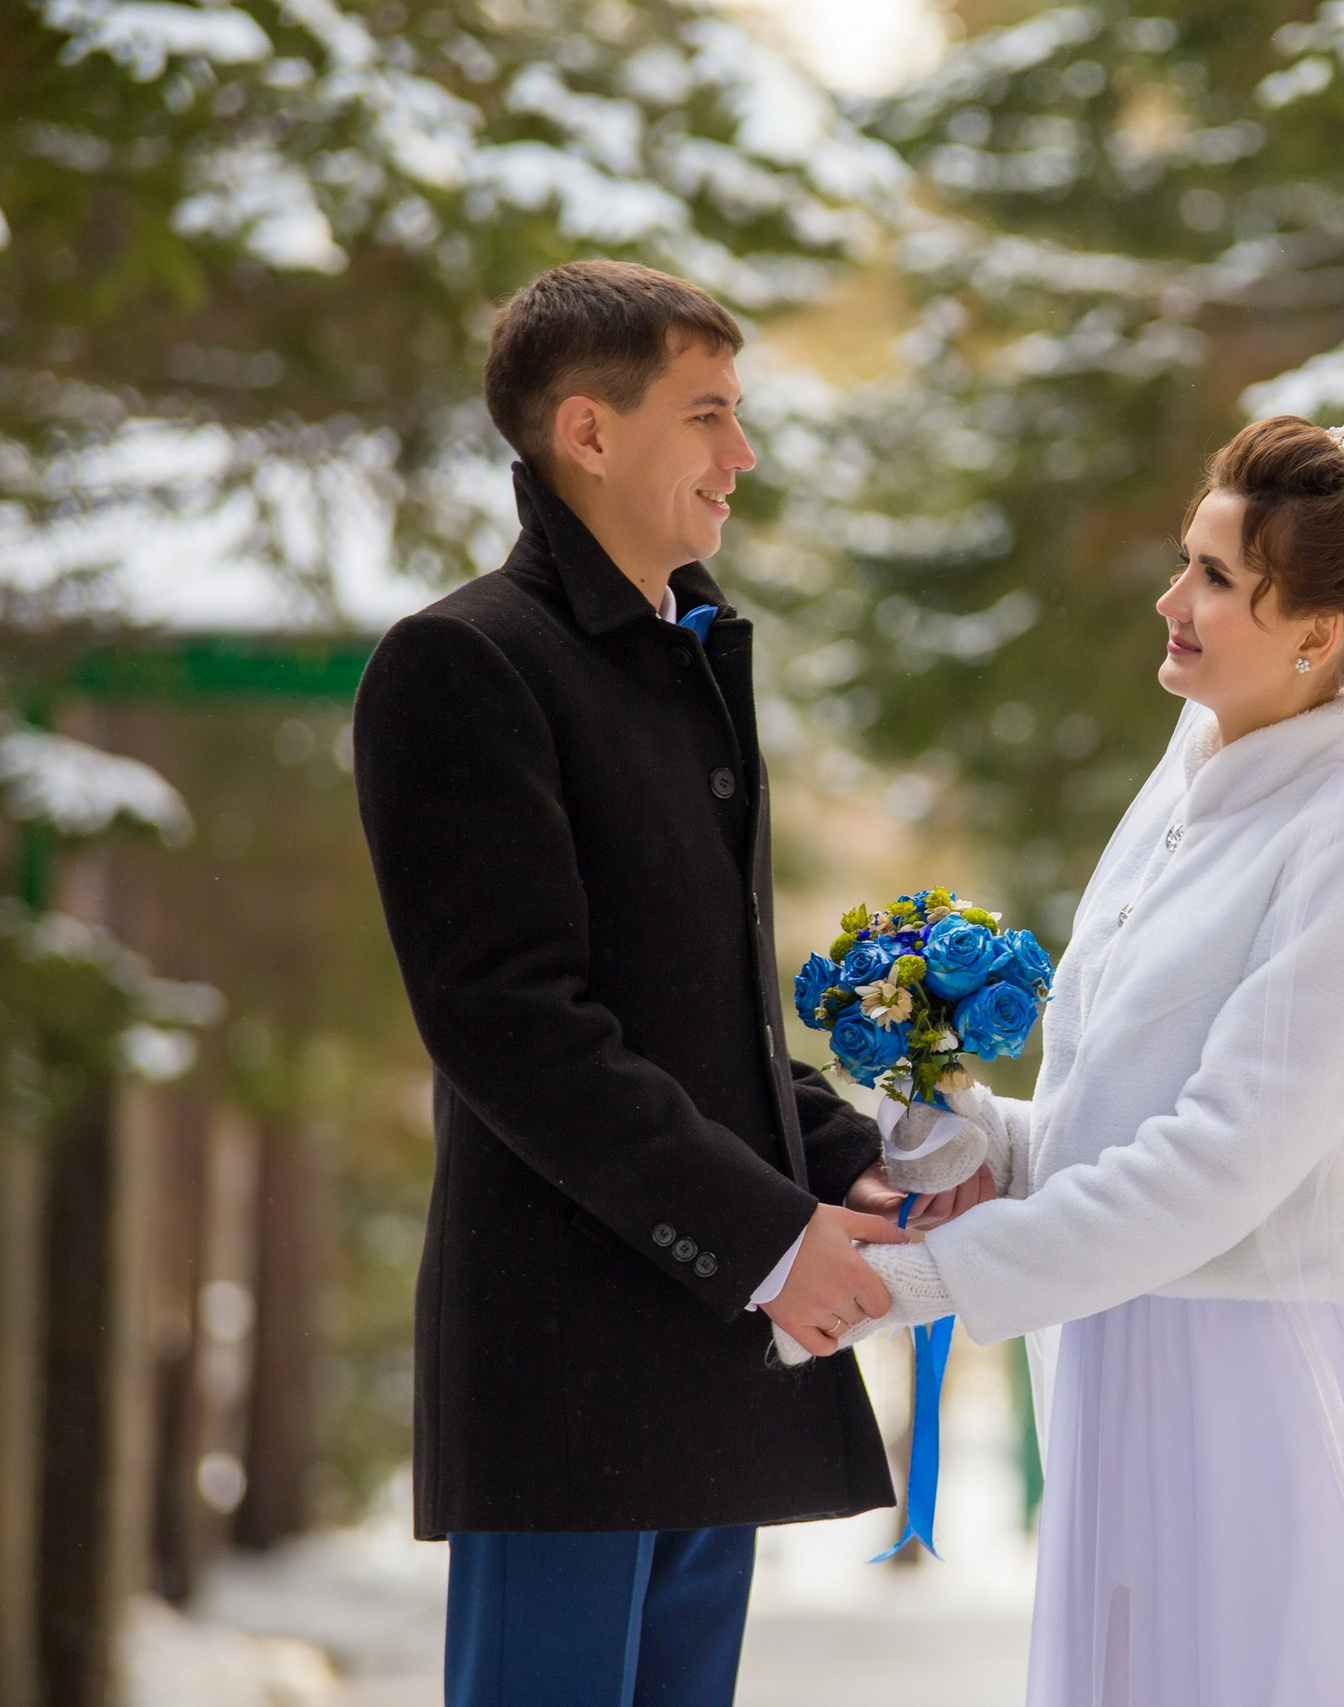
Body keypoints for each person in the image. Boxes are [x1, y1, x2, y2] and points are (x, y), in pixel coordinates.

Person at [793, 416, 1344, 1705]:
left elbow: (1231, 1155)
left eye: (1218, 579)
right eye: (1186, 559)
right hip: (1136, 1345)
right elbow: (1124, 1119)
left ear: (1319, 632)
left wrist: (929, 1278)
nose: (1170, 598)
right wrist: (975, 1131)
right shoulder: (1192, 798)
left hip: (1263, 1382)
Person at [352, 259, 982, 1707]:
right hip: (569, 1376)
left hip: (705, 1359)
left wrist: (864, 1169)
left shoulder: (684, 656)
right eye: (707, 415)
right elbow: (515, 1030)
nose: (740, 455)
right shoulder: (465, 664)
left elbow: (695, 1023)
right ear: (588, 430)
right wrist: (769, 1237)